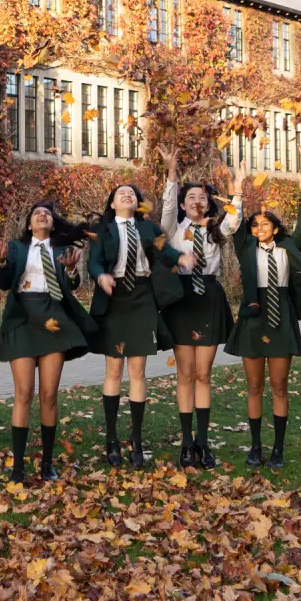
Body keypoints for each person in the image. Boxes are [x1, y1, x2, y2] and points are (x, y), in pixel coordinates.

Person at [88, 183, 196, 468]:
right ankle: (111, 439)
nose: (127, 196)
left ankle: (136, 439)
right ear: (112, 204)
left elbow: (164, 252)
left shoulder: (149, 228)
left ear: (137, 202)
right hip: (114, 298)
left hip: (141, 297)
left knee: (138, 371)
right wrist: (101, 278)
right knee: (114, 370)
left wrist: (181, 258)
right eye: (120, 193)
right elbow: (94, 263)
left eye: (132, 194)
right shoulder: (101, 230)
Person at [0, 201, 95, 483]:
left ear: (53, 223)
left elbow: (71, 285)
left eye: (47, 213)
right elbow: (5, 280)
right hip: (22, 319)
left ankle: (47, 463)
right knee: (24, 394)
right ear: (28, 224)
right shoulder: (16, 248)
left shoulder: (63, 250)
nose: (42, 215)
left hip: (54, 319)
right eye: (36, 213)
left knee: (49, 395)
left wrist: (72, 271)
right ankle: (18, 467)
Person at [222, 160, 301, 470]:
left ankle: (277, 448)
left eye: (265, 224)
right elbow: (232, 222)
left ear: (275, 228)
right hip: (254, 314)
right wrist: (238, 190)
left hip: (281, 315)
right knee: (253, 387)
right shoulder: (245, 247)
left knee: (279, 386)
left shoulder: (290, 246)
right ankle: (255, 447)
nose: (259, 228)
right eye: (255, 225)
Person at [157, 147, 238, 469]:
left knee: (203, 374)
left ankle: (203, 444)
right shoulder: (174, 229)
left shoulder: (217, 231)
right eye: (190, 197)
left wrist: (238, 190)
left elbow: (234, 220)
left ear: (209, 202)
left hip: (209, 298)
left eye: (202, 197)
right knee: (185, 374)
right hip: (182, 298)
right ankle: (186, 442)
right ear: (182, 203)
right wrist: (172, 175)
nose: (196, 201)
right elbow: (165, 209)